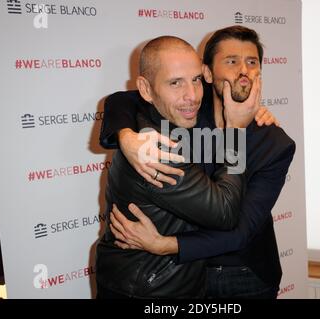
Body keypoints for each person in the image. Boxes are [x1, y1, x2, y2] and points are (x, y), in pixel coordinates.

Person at [101, 26, 296, 299]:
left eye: (251, 62)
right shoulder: (189, 109)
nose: (243, 71)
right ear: (207, 73)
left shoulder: (275, 144)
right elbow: (122, 100)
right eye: (231, 61)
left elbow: (239, 230)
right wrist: (125, 136)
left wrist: (166, 245)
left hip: (244, 272)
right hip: (190, 273)